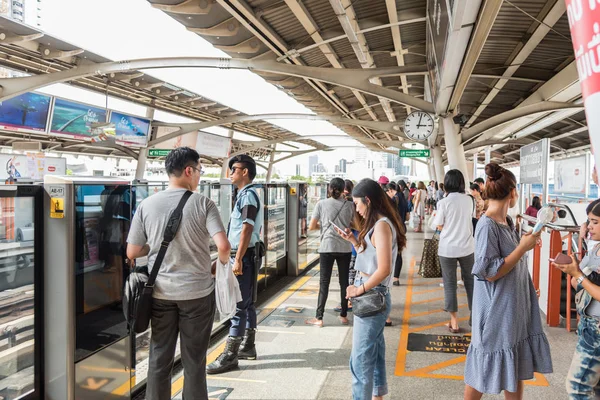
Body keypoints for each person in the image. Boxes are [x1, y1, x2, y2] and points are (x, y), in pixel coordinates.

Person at [126, 147, 231, 400]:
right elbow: (224, 246)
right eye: (199, 171)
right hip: (197, 295)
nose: (199, 176)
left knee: (159, 357)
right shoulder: (204, 203)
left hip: (160, 294)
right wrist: (220, 265)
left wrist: (156, 244)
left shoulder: (147, 204)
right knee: (194, 361)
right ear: (188, 170)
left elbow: (132, 252)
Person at [464, 163, 552, 399]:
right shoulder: (487, 225)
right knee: (483, 367)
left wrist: (525, 287)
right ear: (513, 192)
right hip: (495, 311)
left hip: (513, 307)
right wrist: (522, 248)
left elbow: (511, 265)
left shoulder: (508, 222)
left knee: (514, 364)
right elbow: (488, 271)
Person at [334, 178, 406, 400]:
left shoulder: (382, 226)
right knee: (373, 353)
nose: (356, 208)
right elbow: (373, 257)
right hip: (372, 294)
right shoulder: (378, 224)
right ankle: (377, 395)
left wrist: (359, 289)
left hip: (373, 296)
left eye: (357, 203)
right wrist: (354, 242)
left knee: (360, 360)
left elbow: (384, 269)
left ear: (368, 200)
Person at [208, 154, 264, 374]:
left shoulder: (248, 196)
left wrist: (238, 258)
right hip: (248, 255)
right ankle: (248, 346)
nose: (230, 173)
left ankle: (230, 356)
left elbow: (247, 228)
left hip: (245, 256)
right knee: (247, 303)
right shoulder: (246, 194)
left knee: (238, 306)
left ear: (245, 172)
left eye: (234, 169)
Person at [553, 199, 600, 399]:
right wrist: (574, 271)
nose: (589, 226)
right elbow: (578, 284)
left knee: (577, 387)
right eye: (588, 221)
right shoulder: (595, 248)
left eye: (595, 222)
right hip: (590, 326)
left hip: (596, 329)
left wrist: (578, 274)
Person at [305, 177, 355, 327]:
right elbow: (356, 225)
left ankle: (319, 318)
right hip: (345, 248)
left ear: (329, 189)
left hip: (327, 247)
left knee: (324, 283)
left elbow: (312, 226)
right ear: (343, 190)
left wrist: (324, 225)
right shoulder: (350, 205)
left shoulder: (321, 204)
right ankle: (344, 316)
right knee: (344, 282)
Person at [432, 170, 475, 333]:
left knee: (450, 285)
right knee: (471, 283)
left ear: (447, 183)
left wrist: (448, 229)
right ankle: (474, 317)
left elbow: (438, 224)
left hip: (447, 249)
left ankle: (454, 322)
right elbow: (470, 218)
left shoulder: (443, 202)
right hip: (467, 247)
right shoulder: (469, 200)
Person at [385, 182, 408, 287]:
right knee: (398, 252)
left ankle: (386, 275)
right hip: (401, 228)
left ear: (390, 190)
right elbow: (407, 217)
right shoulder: (403, 198)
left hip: (391, 228)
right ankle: (396, 278)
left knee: (386, 252)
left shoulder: (391, 200)